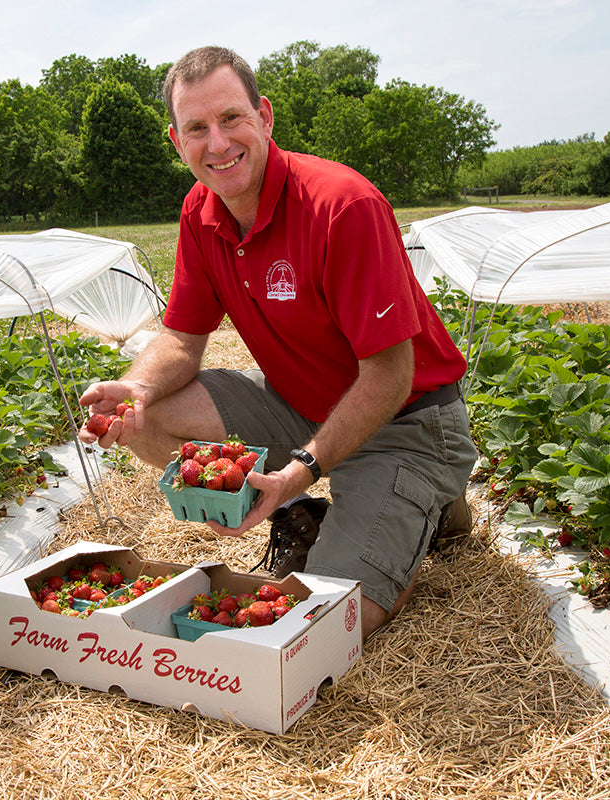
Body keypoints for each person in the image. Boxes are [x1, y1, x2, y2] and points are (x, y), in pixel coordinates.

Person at [78, 45, 478, 639]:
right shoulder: (200, 211)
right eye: (197, 128)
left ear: (263, 116)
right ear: (176, 141)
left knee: (326, 628)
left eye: (231, 118)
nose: (217, 143)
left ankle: (426, 504)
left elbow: (390, 375)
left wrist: (301, 470)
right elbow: (182, 340)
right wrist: (134, 387)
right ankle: (305, 507)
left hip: (407, 423)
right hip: (301, 404)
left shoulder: (342, 206)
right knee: (150, 408)